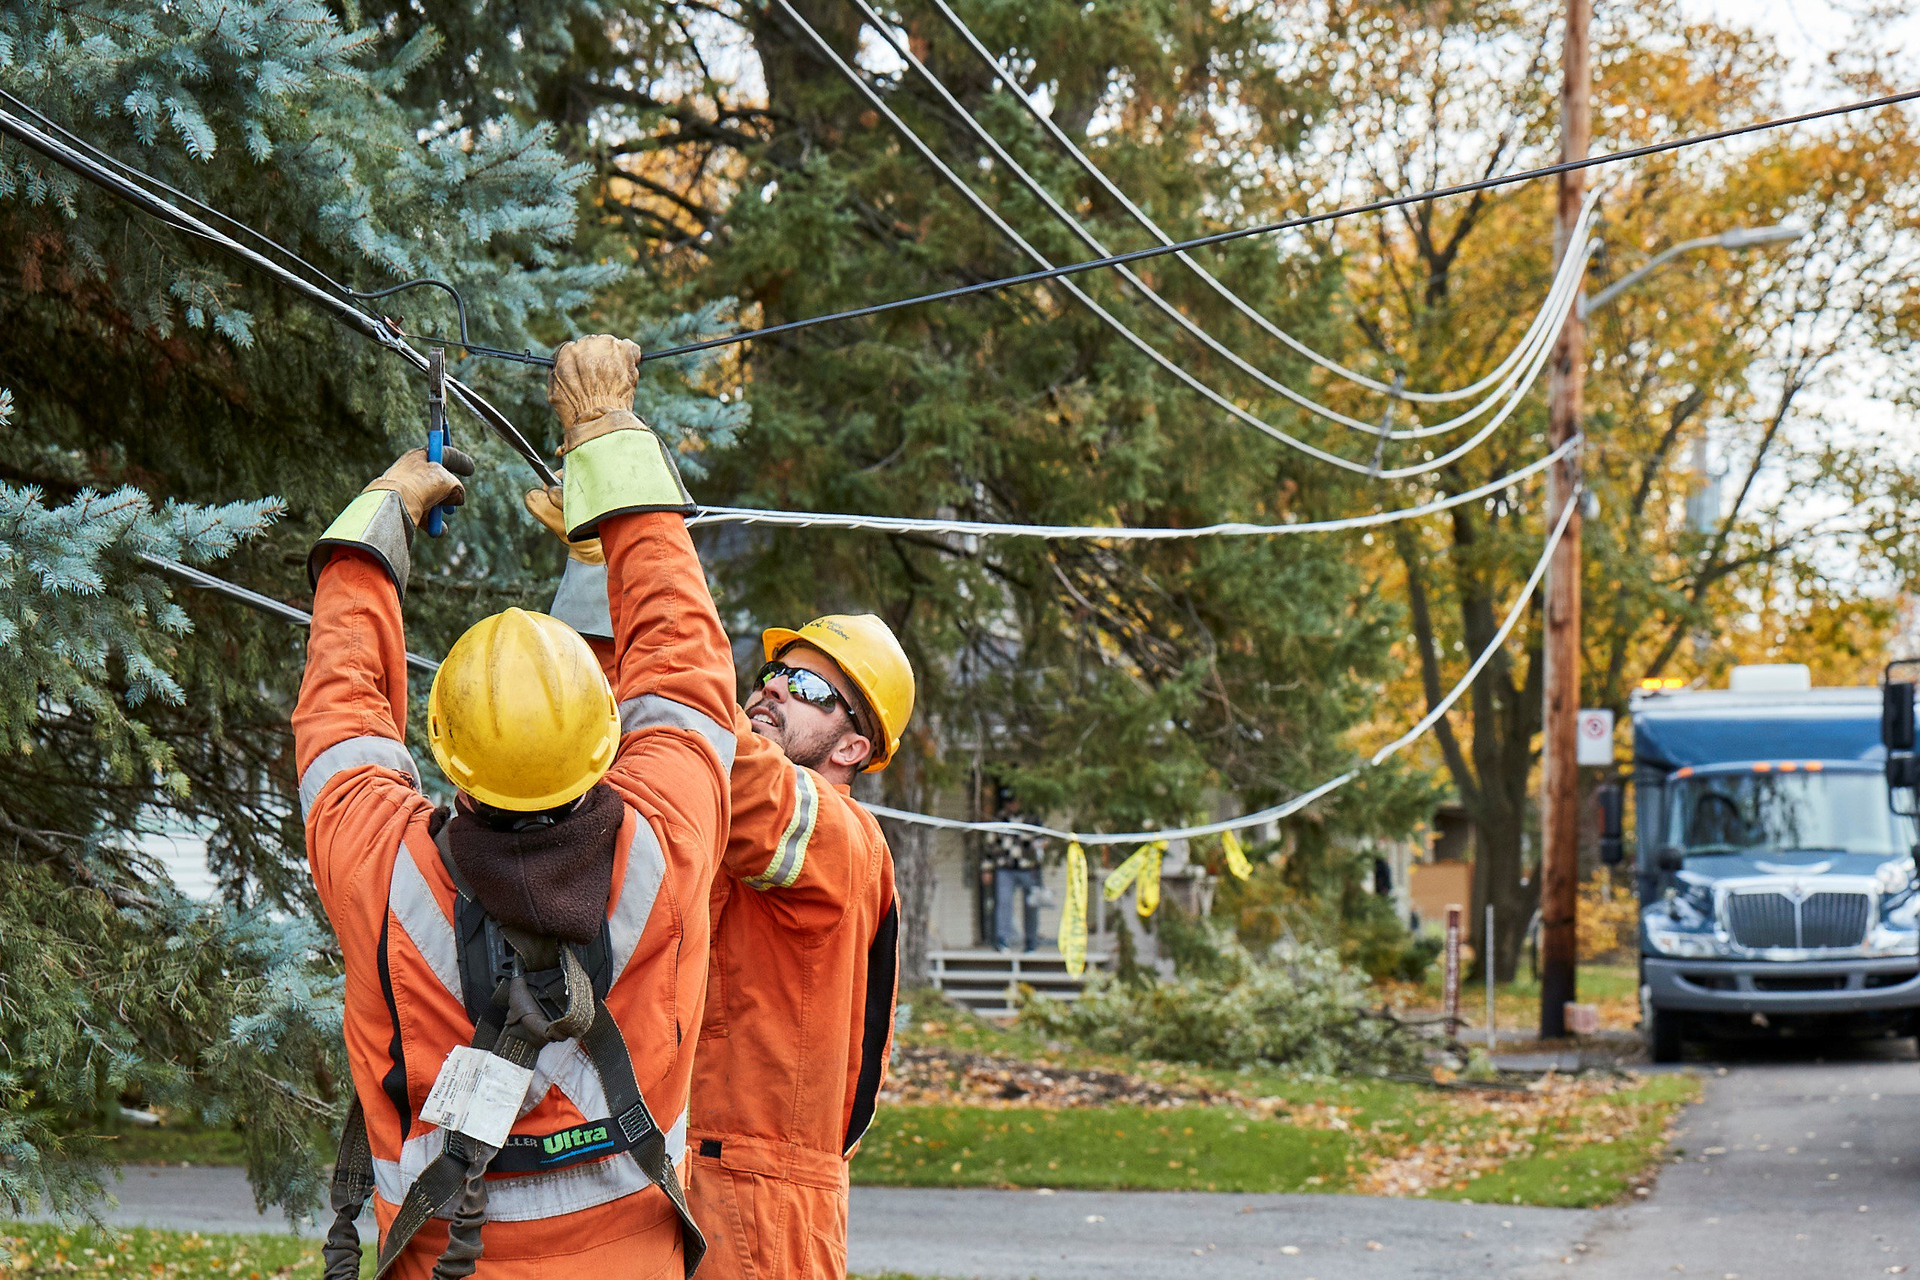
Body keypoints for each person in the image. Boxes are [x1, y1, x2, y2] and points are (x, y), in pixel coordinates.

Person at [295, 335, 737, 1280]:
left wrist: (384, 519)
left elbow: (341, 711)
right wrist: (604, 430)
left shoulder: (382, 872)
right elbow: (685, 663)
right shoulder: (671, 838)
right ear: (605, 740)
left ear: (448, 758)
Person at [531, 510, 914, 1279]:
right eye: (770, 671)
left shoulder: (840, 839)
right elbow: (612, 733)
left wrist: (637, 529)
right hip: (670, 1167)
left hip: (762, 1210)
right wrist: (595, 566)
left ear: (851, 746)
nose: (770, 688)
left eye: (805, 686)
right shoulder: (741, 819)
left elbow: (699, 734)